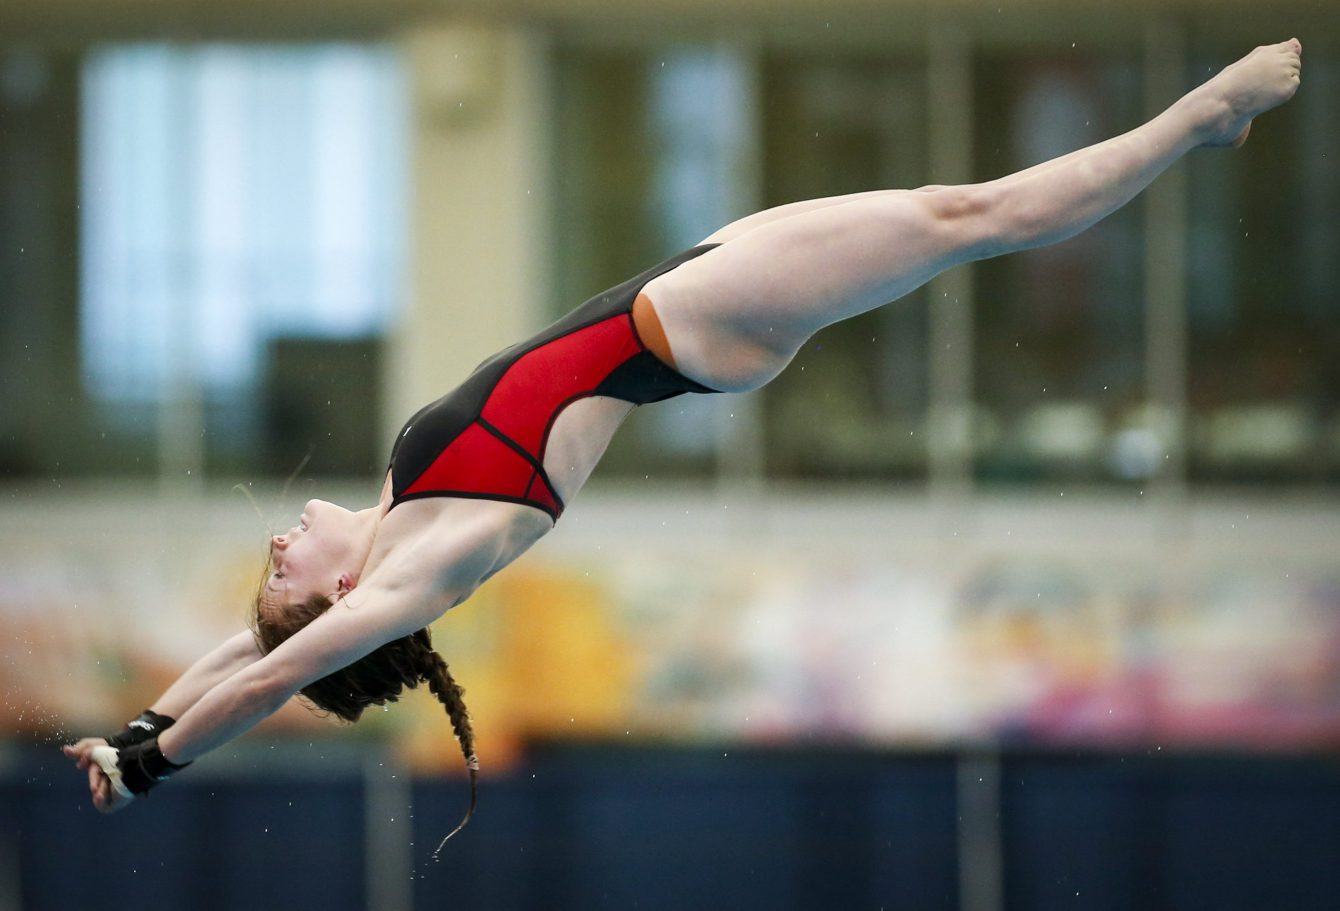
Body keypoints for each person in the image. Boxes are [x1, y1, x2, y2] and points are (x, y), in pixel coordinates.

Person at [64, 39, 1302, 838]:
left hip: (679, 294)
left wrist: (134, 724)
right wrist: (158, 765)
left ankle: (1195, 126)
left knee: (955, 218)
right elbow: (276, 668)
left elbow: (243, 647)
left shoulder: (396, 513)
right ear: (339, 597)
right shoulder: (418, 568)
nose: (280, 537)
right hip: (693, 324)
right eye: (284, 566)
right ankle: (1201, 119)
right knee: (965, 216)